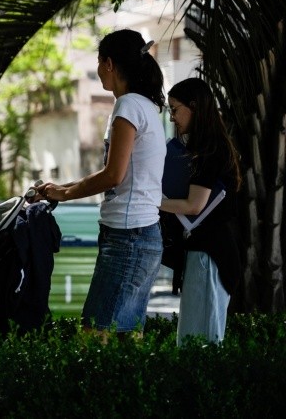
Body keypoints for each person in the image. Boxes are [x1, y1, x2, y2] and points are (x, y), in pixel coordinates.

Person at [37, 29, 166, 338]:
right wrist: (63, 188)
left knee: (94, 335)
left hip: (128, 236)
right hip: (139, 234)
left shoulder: (128, 105)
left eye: (97, 62)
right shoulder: (145, 106)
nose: (97, 70)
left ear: (108, 63)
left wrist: (64, 194)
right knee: (125, 337)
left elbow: (113, 175)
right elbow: (116, 174)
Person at [159, 78, 242, 346]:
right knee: (195, 341)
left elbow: (194, 206)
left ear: (194, 107)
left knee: (199, 344)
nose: (172, 118)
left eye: (175, 109)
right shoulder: (206, 148)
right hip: (206, 254)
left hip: (209, 257)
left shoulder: (211, 151)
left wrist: (150, 201)